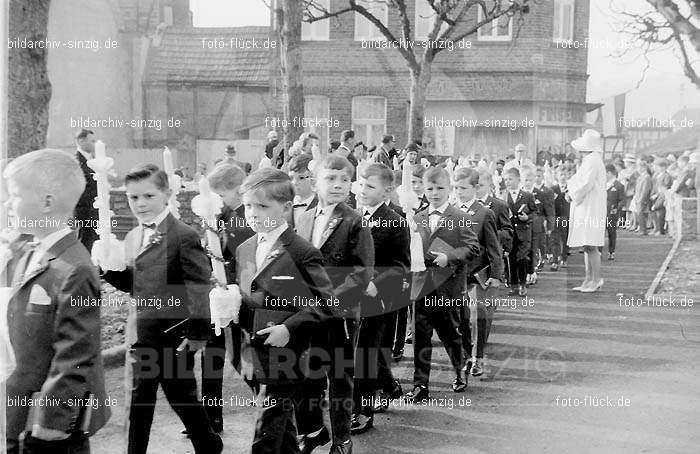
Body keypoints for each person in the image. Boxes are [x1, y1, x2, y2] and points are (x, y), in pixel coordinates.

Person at [102, 164, 222, 454]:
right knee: (139, 403)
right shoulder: (134, 236)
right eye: (133, 198)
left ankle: (207, 444)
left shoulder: (183, 235)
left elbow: (198, 286)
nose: (140, 204)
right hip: (143, 336)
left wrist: (196, 335)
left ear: (166, 194)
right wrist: (109, 268)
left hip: (174, 338)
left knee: (183, 399)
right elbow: (138, 284)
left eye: (148, 196)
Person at [4, 149, 110, 454]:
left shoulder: (74, 268)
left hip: (45, 427)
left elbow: (74, 355)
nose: (8, 204)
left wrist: (51, 424)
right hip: (18, 408)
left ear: (47, 202)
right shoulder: (28, 251)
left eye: (14, 195)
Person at [232, 168, 335, 454]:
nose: (252, 213)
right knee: (281, 429)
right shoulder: (244, 248)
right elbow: (246, 293)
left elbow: (326, 302)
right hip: (253, 352)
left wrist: (289, 328)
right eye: (249, 205)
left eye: (263, 206)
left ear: (286, 207)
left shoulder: (303, 251)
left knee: (266, 431)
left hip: (287, 355)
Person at [295, 155, 374, 454]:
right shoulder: (303, 218)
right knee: (307, 373)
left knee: (339, 376)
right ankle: (314, 431)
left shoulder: (355, 221)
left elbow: (362, 272)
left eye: (344, 179)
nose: (338, 185)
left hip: (339, 312)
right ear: (316, 183)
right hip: (307, 311)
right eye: (331, 179)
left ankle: (342, 439)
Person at [405, 167, 479, 403]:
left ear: (449, 190)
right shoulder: (417, 218)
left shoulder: (459, 217)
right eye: (429, 189)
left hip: (448, 288)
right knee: (420, 337)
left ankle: (460, 370)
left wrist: (450, 257)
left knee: (451, 334)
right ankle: (420, 385)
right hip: (422, 287)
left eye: (439, 188)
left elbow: (472, 248)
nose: (434, 193)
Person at [197, 164, 257, 434]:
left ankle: (275, 405)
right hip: (217, 300)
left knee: (241, 358)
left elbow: (244, 263)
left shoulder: (240, 222)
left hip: (236, 300)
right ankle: (212, 416)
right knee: (211, 358)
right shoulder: (215, 219)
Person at [352, 163, 409, 433]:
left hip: (378, 299)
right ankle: (388, 384)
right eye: (361, 184)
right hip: (350, 297)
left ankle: (362, 412)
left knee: (365, 353)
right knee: (359, 352)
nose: (363, 190)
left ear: (387, 190)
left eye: (370, 186)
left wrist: (377, 283)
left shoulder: (395, 222)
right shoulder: (351, 217)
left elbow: (401, 266)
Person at [453, 168, 503, 378]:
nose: (459, 192)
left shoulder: (485, 213)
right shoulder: (450, 210)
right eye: (456, 188)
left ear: (475, 188)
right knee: (461, 319)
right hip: (455, 276)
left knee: (478, 317)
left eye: (463, 188)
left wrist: (496, 275)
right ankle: (466, 355)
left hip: (477, 275)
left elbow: (493, 247)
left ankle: (478, 357)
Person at [566, 129, 607, 293]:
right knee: (587, 243)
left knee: (591, 244)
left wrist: (572, 194)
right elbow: (579, 181)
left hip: (591, 206)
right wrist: (571, 193)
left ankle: (596, 279)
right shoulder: (590, 160)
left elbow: (585, 184)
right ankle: (588, 279)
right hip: (586, 205)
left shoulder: (592, 160)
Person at [502, 167, 536, 296]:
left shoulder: (527, 196)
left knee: (521, 258)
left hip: (523, 232)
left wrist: (527, 218)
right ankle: (513, 285)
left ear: (518, 179)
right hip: (509, 233)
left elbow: (534, 212)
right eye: (505, 179)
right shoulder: (502, 196)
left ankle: (523, 284)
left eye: (510, 179)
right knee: (510, 259)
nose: (508, 182)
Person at [73, 129, 99, 252]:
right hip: (85, 210)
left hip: (94, 209)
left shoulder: (92, 159)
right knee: (86, 241)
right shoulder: (77, 162)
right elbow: (80, 188)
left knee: (96, 241)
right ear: (81, 141)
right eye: (92, 141)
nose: (95, 144)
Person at [287, 154, 319, 229]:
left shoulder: (320, 206)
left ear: (314, 179)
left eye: (301, 178)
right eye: (291, 178)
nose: (294, 182)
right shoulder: (283, 205)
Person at [550, 167, 572, 269]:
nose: (563, 177)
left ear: (568, 176)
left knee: (565, 238)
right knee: (555, 239)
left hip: (567, 217)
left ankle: (564, 259)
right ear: (557, 176)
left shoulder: (571, 188)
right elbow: (550, 204)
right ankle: (555, 260)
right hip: (556, 217)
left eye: (564, 175)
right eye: (560, 175)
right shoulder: (553, 189)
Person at [605, 164, 625, 261]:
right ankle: (599, 251)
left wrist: (616, 208)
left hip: (612, 214)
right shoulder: (602, 184)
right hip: (601, 213)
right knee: (599, 233)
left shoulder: (619, 185)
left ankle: (611, 251)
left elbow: (622, 200)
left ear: (609, 173)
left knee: (611, 233)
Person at [650, 158, 672, 235]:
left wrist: (656, 195)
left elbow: (664, 188)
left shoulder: (667, 176)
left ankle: (661, 230)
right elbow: (655, 186)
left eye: (657, 166)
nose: (656, 168)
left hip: (662, 197)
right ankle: (657, 229)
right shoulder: (657, 175)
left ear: (663, 167)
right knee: (655, 213)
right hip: (655, 197)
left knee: (660, 214)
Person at [632, 158, 653, 235]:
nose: (638, 169)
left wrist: (641, 199)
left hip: (642, 199)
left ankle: (643, 230)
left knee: (641, 214)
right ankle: (642, 229)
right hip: (638, 198)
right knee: (639, 214)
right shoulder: (641, 177)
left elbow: (645, 190)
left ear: (644, 167)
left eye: (640, 167)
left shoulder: (646, 177)